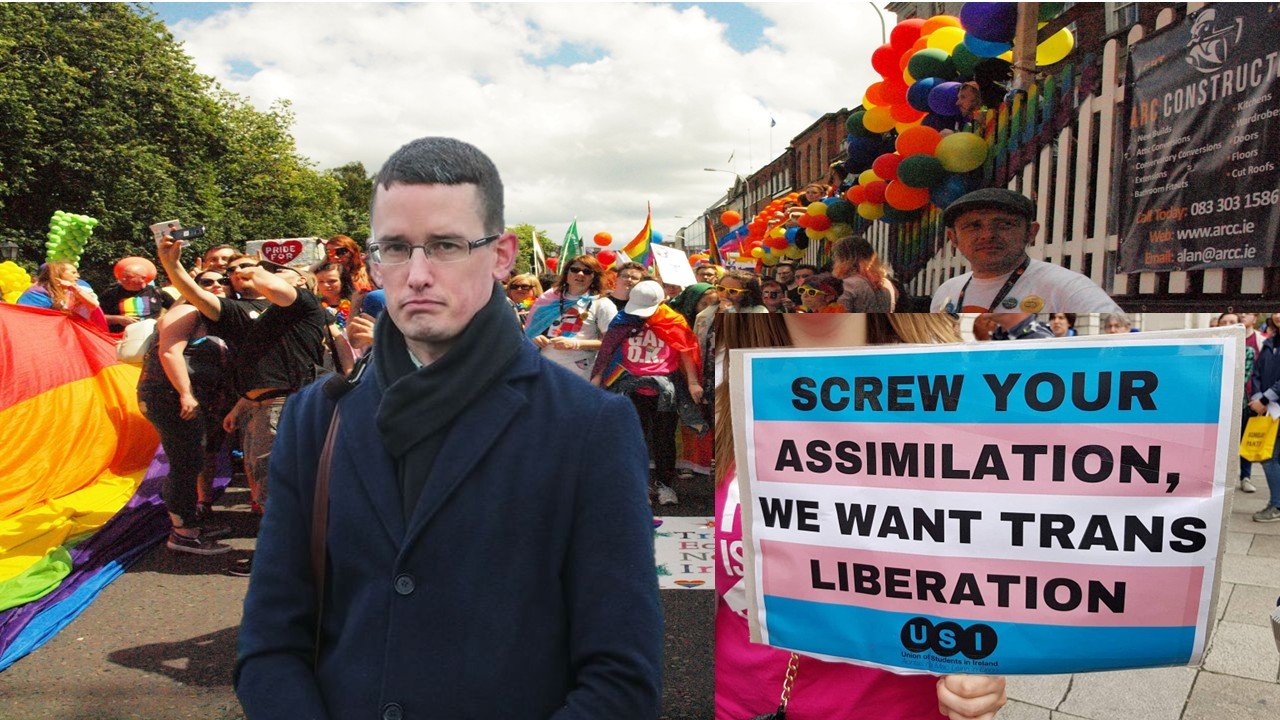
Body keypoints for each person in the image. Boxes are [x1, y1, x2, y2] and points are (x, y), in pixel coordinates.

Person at [235, 136, 662, 718]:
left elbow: (620, 674)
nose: (415, 275)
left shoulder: (587, 424)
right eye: (395, 248)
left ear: (502, 254)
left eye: (445, 245)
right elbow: (271, 638)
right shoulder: (320, 414)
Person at [714, 314, 1007, 719]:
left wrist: (983, 667)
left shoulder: (961, 393)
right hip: (734, 703)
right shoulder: (729, 393)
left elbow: (999, 565)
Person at [137, 269, 234, 554]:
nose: (216, 285)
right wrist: (185, 393)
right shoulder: (187, 312)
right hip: (170, 398)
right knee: (185, 463)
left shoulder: (208, 314)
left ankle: (189, 522)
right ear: (192, 286)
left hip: (182, 398)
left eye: (222, 281)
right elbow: (169, 352)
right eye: (207, 282)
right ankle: (183, 533)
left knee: (192, 459)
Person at [591, 280, 704, 506]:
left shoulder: (674, 321)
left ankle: (665, 484)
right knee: (634, 438)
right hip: (630, 387)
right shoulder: (622, 320)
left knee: (665, 439)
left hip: (666, 389)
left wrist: (692, 382)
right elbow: (607, 349)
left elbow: (686, 351)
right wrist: (597, 377)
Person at [930, 189, 1122, 314]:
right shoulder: (947, 292)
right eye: (973, 226)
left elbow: (1127, 350)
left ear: (1031, 232)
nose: (987, 235)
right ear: (953, 238)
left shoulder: (1066, 288)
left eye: (1004, 224)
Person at [524, 254, 618, 380]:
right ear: (566, 273)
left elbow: (611, 342)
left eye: (587, 271)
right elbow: (531, 330)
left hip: (578, 376)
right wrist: (536, 337)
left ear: (594, 277)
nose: (580, 274)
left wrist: (576, 344)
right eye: (575, 269)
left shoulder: (602, 304)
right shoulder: (549, 297)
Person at [1221, 312, 1258, 494]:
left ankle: (1245, 477)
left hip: (1238, 405)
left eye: (1232, 322)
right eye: (1224, 322)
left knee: (1242, 442)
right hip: (1214, 406)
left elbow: (1240, 378)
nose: (1228, 325)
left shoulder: (1248, 351)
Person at [1248, 318, 1280, 522]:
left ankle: (1277, 505)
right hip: (1270, 410)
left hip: (1274, 406)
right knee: (1270, 456)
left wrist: (1265, 398)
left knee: (1269, 457)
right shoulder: (1271, 342)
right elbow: (1256, 373)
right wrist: (1257, 398)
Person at [16, 261, 108, 331]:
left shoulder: (79, 287)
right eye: (73, 272)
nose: (78, 276)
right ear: (59, 273)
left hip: (77, 332)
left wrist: (74, 289)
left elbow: (93, 305)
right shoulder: (38, 292)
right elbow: (26, 318)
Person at [98, 256, 173, 332]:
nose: (123, 279)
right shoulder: (111, 294)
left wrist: (162, 320)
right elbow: (96, 316)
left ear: (143, 278)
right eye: (122, 276)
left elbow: (177, 308)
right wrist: (118, 319)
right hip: (118, 337)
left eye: (128, 277)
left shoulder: (156, 292)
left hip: (149, 335)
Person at [831, 236, 895, 312]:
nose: (834, 260)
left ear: (843, 259)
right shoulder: (886, 283)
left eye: (836, 256)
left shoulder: (848, 284)